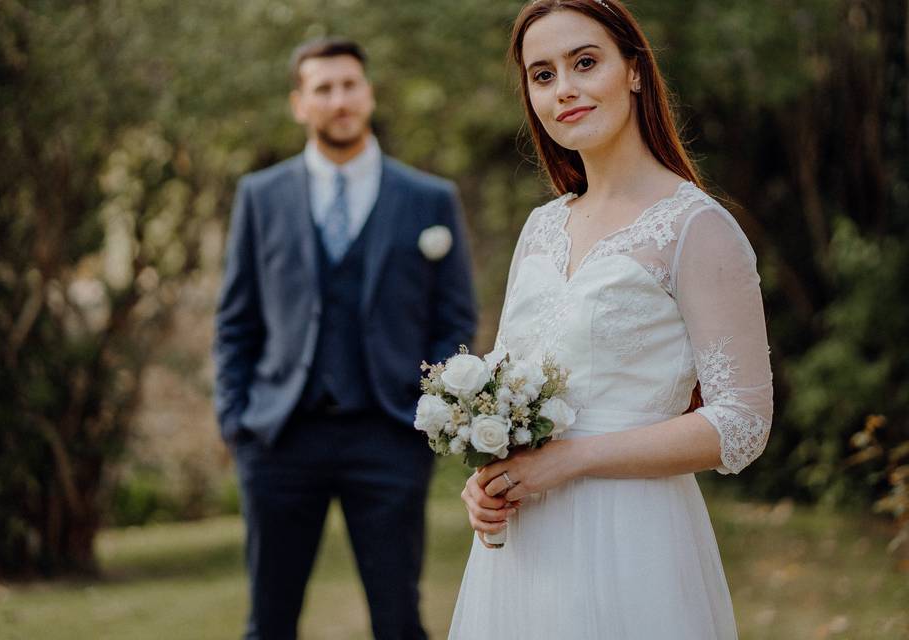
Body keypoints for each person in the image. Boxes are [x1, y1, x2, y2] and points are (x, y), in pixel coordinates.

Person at [451, 1, 773, 638]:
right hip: (523, 547)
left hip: (634, 538)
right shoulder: (542, 226)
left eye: (585, 62)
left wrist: (573, 460)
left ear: (633, 70)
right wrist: (487, 479)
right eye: (542, 75)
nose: (564, 88)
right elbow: (514, 386)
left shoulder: (696, 227)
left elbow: (741, 423)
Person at [213, 37, 477, 640]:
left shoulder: (429, 198)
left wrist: (427, 419)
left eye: (350, 85)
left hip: (387, 435)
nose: (339, 100)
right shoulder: (260, 196)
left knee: (398, 619)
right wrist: (236, 422)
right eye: (323, 89)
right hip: (279, 438)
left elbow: (453, 319)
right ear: (299, 104)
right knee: (269, 622)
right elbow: (236, 321)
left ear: (369, 94)